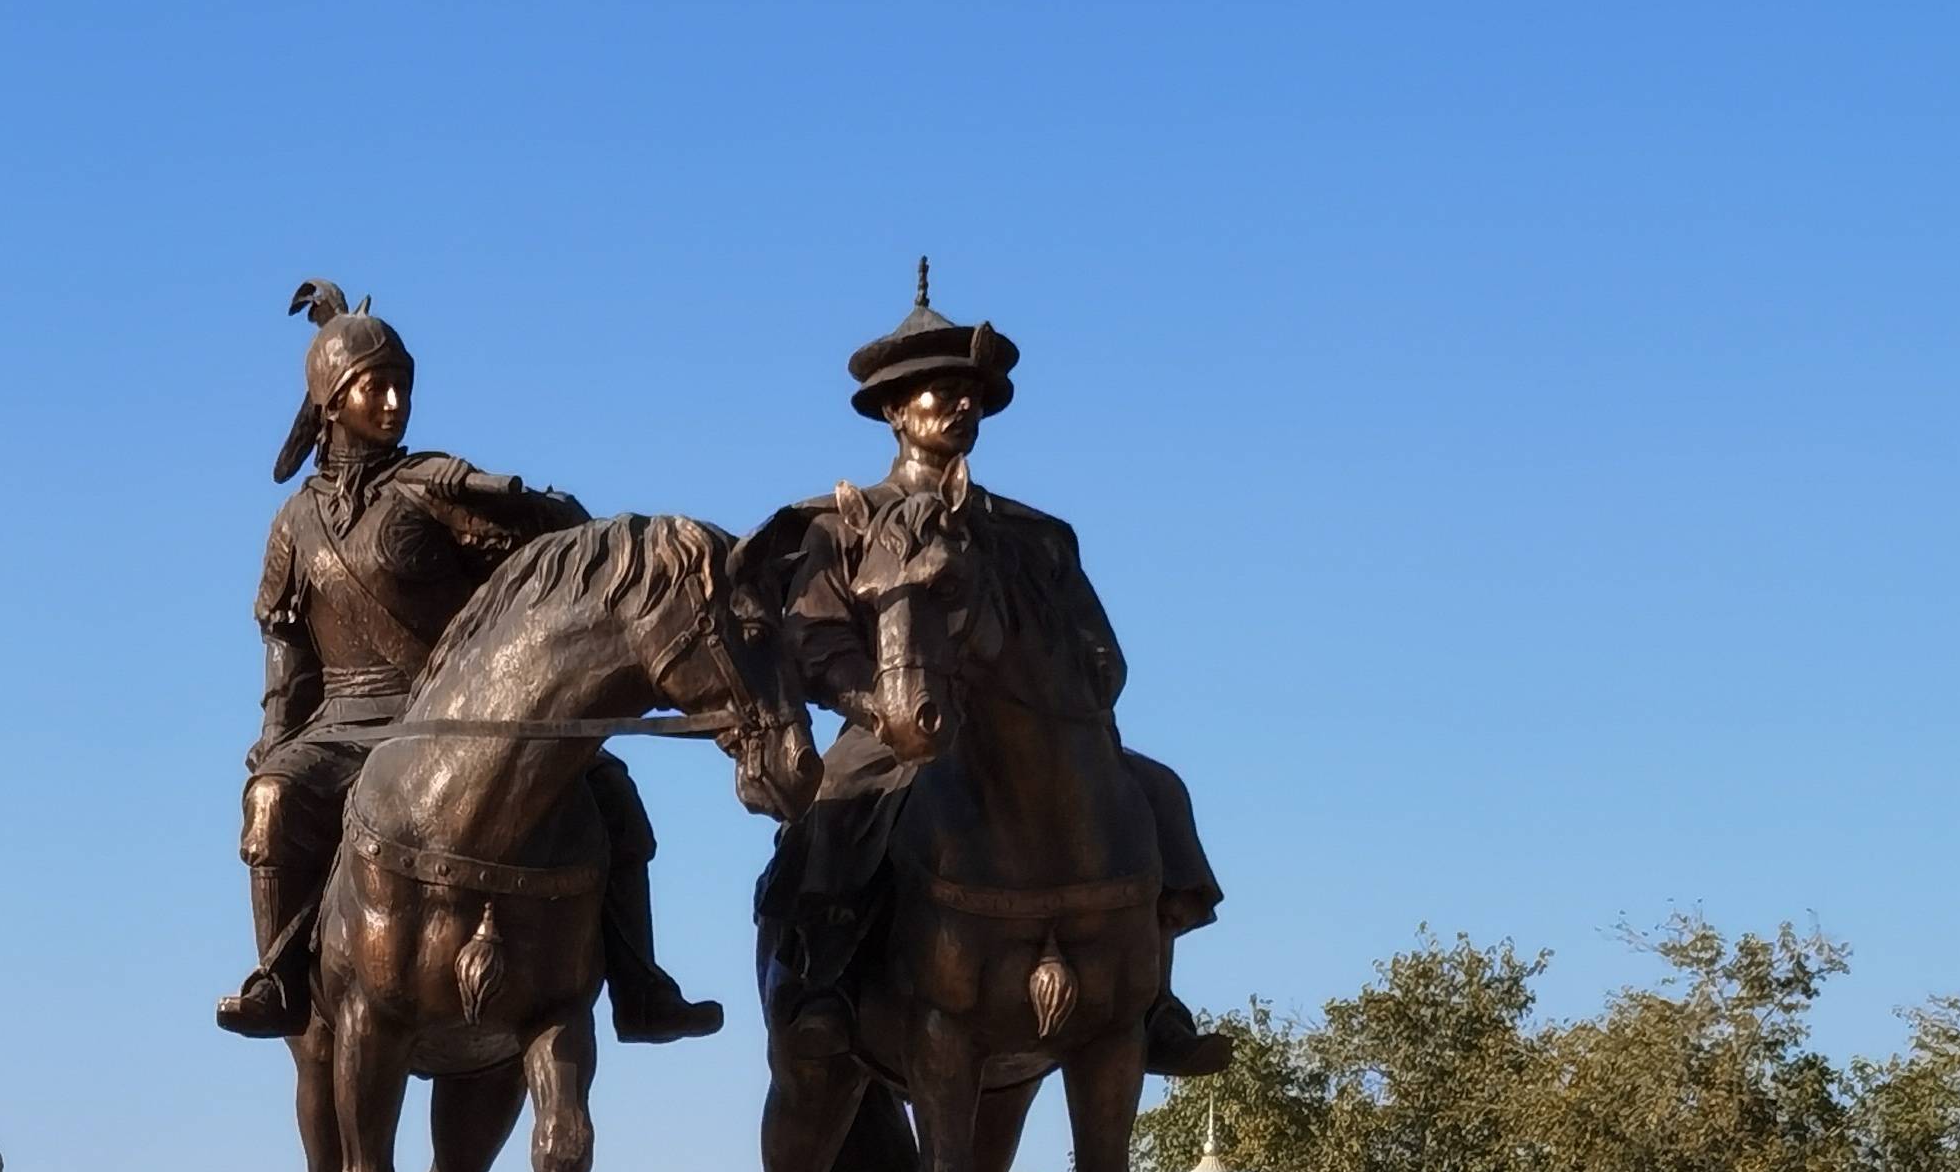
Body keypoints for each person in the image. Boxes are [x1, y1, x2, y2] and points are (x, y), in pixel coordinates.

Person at [745, 268, 1231, 1075]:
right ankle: (824, 983)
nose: (961, 405)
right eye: (941, 392)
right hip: (892, 728)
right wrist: (876, 705)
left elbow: (1097, 641)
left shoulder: (1035, 535)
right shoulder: (840, 526)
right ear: (898, 413)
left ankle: (1154, 1002)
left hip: (1024, 728)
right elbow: (817, 641)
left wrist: (1084, 684)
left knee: (1158, 790)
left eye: (971, 394)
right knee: (831, 809)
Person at [218, 280, 721, 1045]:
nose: (393, 404)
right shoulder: (293, 525)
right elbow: (288, 656)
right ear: (329, 399)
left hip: (448, 719)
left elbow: (547, 562)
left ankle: (641, 986)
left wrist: (534, 507)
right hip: (345, 723)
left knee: (611, 790)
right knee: (270, 801)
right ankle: (280, 981)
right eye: (373, 387)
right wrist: (275, 746)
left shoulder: (436, 487)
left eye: (401, 386)